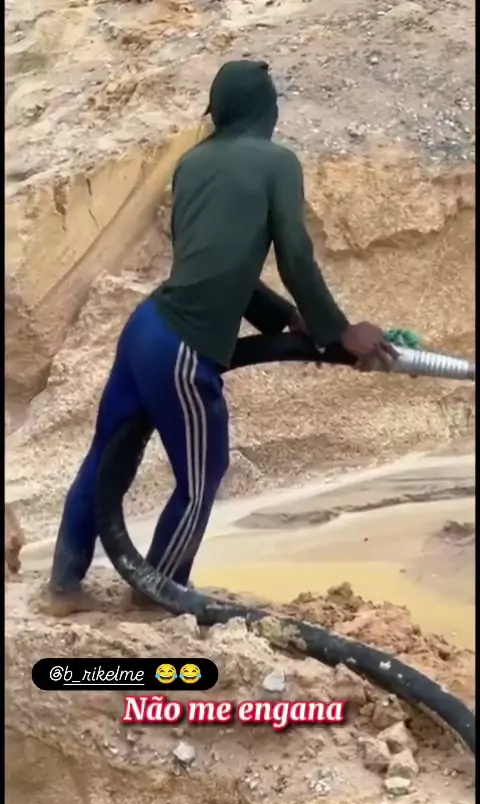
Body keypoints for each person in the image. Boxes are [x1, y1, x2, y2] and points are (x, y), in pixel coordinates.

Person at [47, 59, 396, 615]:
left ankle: (64, 586)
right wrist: (339, 330)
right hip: (183, 349)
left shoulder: (192, 164)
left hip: (146, 329)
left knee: (106, 458)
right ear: (268, 109)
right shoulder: (278, 163)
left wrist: (286, 320)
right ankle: (158, 590)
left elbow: (216, 265)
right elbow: (296, 256)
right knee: (202, 475)